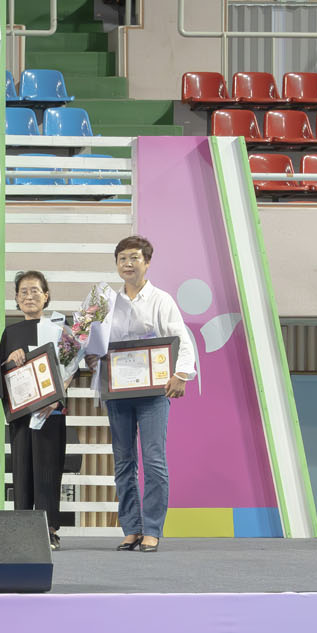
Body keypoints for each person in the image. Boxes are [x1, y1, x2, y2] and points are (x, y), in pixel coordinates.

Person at [101, 235, 199, 552]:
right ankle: (132, 528)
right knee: (123, 462)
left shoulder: (161, 300)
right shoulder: (106, 303)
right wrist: (91, 355)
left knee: (154, 461)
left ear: (147, 262)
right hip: (117, 392)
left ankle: (152, 528)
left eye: (134, 258)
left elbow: (181, 340)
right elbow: (96, 342)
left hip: (153, 393)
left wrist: (181, 374)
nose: (128, 264)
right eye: (122, 259)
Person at [0, 270, 72, 550]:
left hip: (50, 412)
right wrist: (10, 359)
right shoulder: (11, 332)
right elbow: (1, 373)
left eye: (35, 291)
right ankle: (22, 529)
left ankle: (49, 529)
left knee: (49, 471)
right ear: (17, 299)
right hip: (22, 415)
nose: (29, 296)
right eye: (23, 292)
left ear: (46, 296)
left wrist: (57, 396)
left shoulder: (59, 328)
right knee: (22, 472)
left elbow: (70, 367)